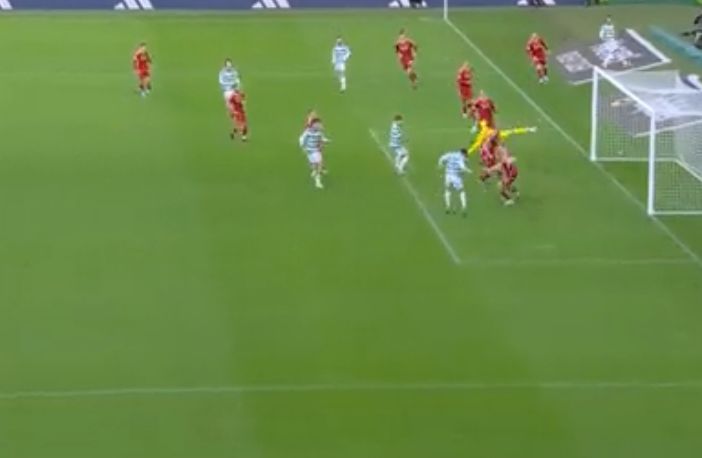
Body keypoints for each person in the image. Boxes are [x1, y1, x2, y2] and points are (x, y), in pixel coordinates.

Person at [438, 148, 471, 216]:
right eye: (465, 155)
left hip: (448, 176)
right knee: (461, 191)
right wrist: (468, 171)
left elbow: (442, 158)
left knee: (448, 190)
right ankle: (464, 207)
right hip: (456, 177)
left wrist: (440, 164)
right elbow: (462, 167)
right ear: (463, 154)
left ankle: (448, 206)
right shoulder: (460, 158)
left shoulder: (451, 154)